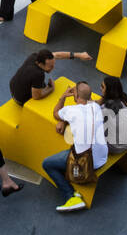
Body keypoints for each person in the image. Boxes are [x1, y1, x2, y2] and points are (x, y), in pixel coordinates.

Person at [43, 80, 108, 212]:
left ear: (76, 96)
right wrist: (65, 119)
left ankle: (71, 196)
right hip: (102, 157)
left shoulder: (70, 110)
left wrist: (63, 97)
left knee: (47, 164)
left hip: (87, 163)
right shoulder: (95, 107)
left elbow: (56, 113)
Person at [9, 47, 92, 106]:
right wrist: (51, 88)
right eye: (50, 66)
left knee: (41, 84)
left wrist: (79, 55)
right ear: (41, 64)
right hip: (19, 99)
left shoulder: (34, 56)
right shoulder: (38, 74)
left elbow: (57, 55)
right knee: (46, 90)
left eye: (53, 65)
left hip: (13, 86)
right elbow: (36, 96)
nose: (53, 68)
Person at [99, 76, 127, 158]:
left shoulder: (108, 107)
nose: (100, 88)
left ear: (109, 91)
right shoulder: (124, 98)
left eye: (102, 87)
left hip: (115, 147)